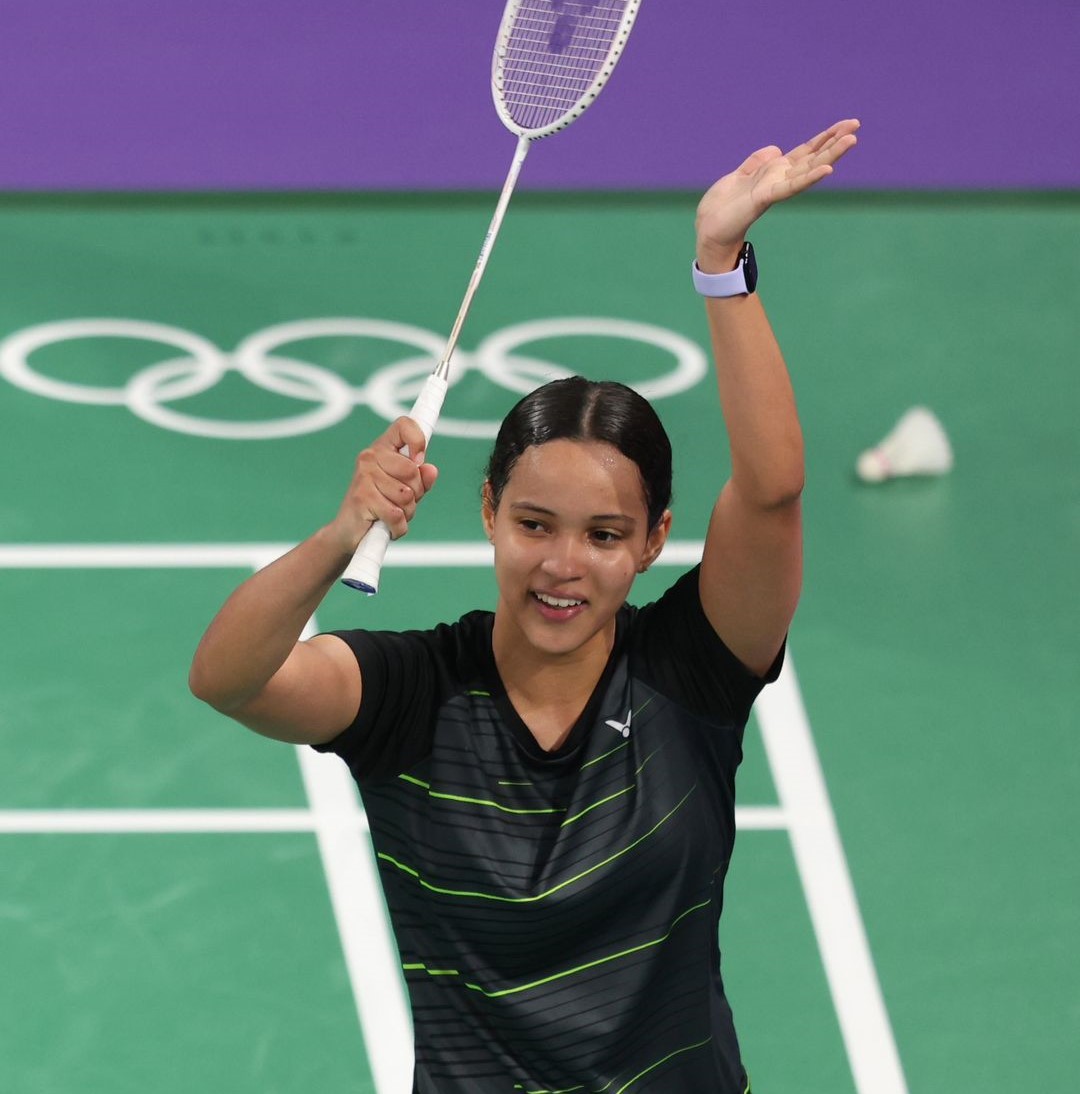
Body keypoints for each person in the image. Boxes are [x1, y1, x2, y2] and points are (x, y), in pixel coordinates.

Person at [189, 118, 860, 1094]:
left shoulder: (690, 672)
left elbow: (772, 490)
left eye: (602, 534)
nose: (563, 565)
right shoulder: (413, 693)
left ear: (652, 541)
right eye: (535, 523)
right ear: (489, 511)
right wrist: (340, 535)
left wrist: (720, 263)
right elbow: (228, 677)